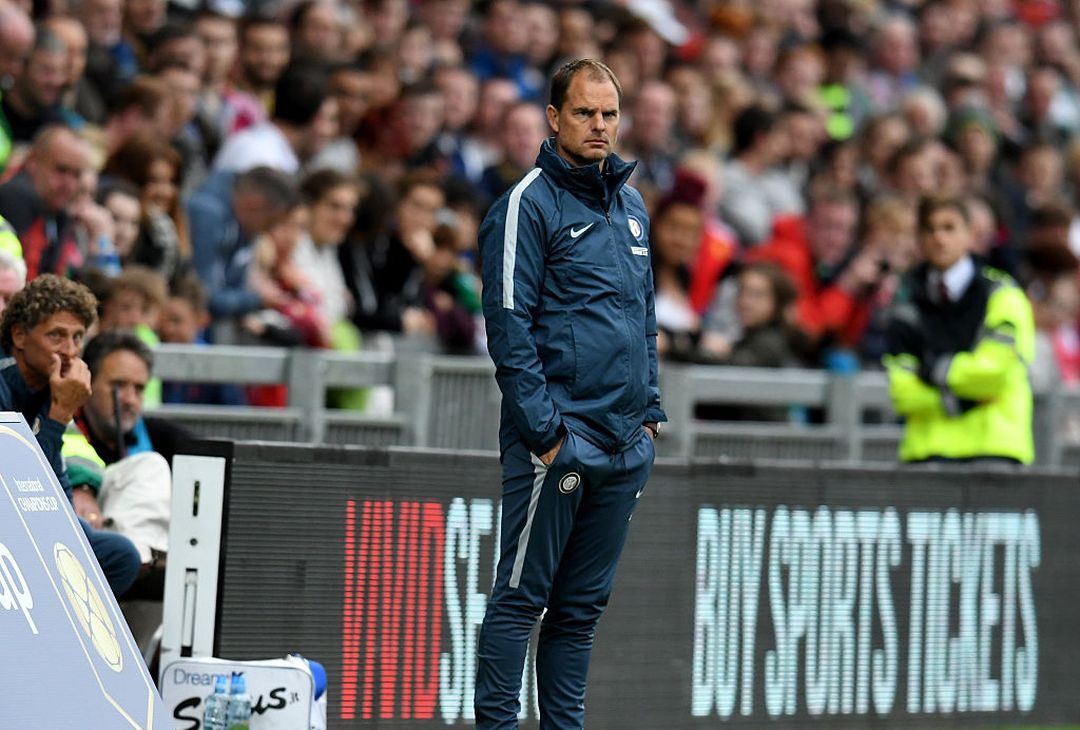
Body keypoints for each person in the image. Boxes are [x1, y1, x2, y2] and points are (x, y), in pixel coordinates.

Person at [475, 58, 664, 728]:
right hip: (559, 441)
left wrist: (650, 418)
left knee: (580, 613)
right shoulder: (526, 203)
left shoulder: (632, 206)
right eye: (584, 112)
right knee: (522, 600)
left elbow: (644, 316)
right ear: (553, 118)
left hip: (622, 442)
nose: (599, 126)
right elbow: (507, 321)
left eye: (609, 113)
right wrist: (547, 433)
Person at [0, 274, 141, 596]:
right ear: (20, 335)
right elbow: (19, 488)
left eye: (78, 337)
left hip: (31, 525)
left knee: (119, 555)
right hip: (7, 524)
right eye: (56, 336)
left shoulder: (51, 385)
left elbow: (56, 493)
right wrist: (61, 413)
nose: (70, 351)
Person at [883, 195, 1035, 464]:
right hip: (927, 454)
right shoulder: (905, 301)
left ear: (970, 234)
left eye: (949, 227)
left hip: (993, 449)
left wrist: (934, 369)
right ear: (919, 237)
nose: (939, 238)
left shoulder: (1002, 294)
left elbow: (994, 374)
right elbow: (903, 394)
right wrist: (963, 401)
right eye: (930, 229)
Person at [62, 330, 190, 592]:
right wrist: (84, 486)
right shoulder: (62, 420)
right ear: (87, 381)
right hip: (75, 552)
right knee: (150, 466)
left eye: (139, 388)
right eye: (118, 386)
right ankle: (137, 561)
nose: (129, 399)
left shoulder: (161, 436)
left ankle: (142, 566)